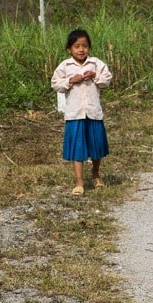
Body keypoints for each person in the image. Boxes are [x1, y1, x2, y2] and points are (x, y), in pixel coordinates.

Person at [51, 29, 113, 196]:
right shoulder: (65, 66)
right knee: (78, 148)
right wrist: (70, 80)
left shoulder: (95, 63)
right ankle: (79, 181)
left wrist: (95, 75)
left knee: (97, 146)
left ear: (89, 48)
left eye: (84, 46)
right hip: (74, 114)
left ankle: (96, 174)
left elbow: (106, 80)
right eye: (76, 46)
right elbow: (55, 84)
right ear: (69, 49)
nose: (81, 50)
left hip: (93, 112)